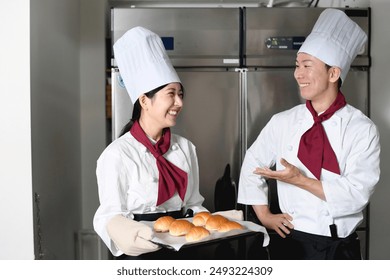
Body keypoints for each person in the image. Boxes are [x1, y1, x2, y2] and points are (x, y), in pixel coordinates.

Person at [237, 9, 380, 260]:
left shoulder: (361, 128)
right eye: (297, 65)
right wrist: (264, 216)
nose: (298, 74)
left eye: (307, 66)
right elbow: (252, 162)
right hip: (289, 242)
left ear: (333, 74)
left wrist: (300, 180)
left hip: (338, 248)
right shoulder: (283, 122)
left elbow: (356, 194)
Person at [93, 26, 209, 259]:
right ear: (144, 101)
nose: (179, 102)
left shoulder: (186, 148)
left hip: (185, 248)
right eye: (171, 94)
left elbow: (194, 203)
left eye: (181, 94)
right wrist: (134, 238)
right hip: (140, 253)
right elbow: (108, 216)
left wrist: (211, 222)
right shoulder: (117, 154)